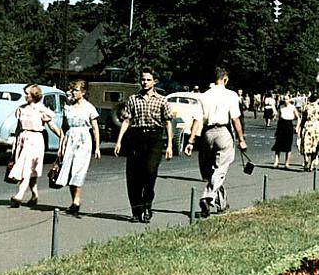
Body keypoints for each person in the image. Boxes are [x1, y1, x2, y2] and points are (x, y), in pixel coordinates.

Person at [184, 67, 247, 217]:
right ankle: (207, 197)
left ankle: (222, 205)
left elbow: (197, 120)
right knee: (220, 169)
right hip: (223, 132)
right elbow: (235, 118)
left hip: (207, 133)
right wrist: (241, 139)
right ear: (225, 80)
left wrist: (191, 141)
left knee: (212, 172)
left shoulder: (204, 96)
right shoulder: (231, 95)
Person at [114, 67, 174, 223]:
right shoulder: (134, 99)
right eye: (143, 79)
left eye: (148, 80)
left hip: (154, 138)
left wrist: (169, 146)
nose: (145, 82)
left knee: (150, 173)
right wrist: (119, 141)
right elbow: (127, 120)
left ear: (154, 81)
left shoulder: (162, 100)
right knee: (133, 176)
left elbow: (167, 122)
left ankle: (147, 207)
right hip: (136, 137)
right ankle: (136, 211)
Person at [8, 85, 63, 208]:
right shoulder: (21, 109)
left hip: (35, 140)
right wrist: (15, 142)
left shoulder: (42, 110)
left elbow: (52, 126)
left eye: (27, 93)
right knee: (29, 169)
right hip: (22, 139)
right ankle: (34, 195)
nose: (25, 95)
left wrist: (62, 137)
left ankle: (19, 195)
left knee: (26, 168)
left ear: (34, 95)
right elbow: (18, 127)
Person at [53, 80, 101, 215]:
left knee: (78, 169)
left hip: (84, 140)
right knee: (69, 170)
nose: (73, 93)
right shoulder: (68, 108)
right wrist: (60, 146)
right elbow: (63, 128)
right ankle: (74, 201)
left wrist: (97, 147)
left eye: (76, 90)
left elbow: (95, 128)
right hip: (70, 138)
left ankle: (77, 200)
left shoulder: (89, 108)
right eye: (72, 90)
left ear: (83, 92)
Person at [298, 94, 319, 171]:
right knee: (315, 146)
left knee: (305, 144)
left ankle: (306, 160)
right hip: (316, 127)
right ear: (317, 99)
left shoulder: (306, 107)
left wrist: (300, 129)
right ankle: (312, 164)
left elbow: (303, 119)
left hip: (307, 126)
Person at [271, 95, 300, 168]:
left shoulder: (292, 107)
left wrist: (297, 127)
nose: (285, 100)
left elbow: (298, 118)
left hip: (289, 125)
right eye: (284, 99)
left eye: (287, 99)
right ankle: (276, 162)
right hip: (281, 125)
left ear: (290, 99)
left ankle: (287, 163)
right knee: (278, 145)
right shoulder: (281, 107)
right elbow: (279, 117)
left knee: (288, 145)